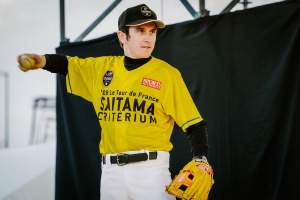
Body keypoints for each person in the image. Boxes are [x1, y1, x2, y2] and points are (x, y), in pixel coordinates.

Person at [17, 4, 213, 200]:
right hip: (111, 173)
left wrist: (200, 158)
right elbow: (69, 65)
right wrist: (41, 61)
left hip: (150, 171)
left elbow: (194, 123)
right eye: (140, 30)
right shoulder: (102, 69)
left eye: (152, 32)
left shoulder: (167, 75)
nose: (148, 37)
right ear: (122, 36)